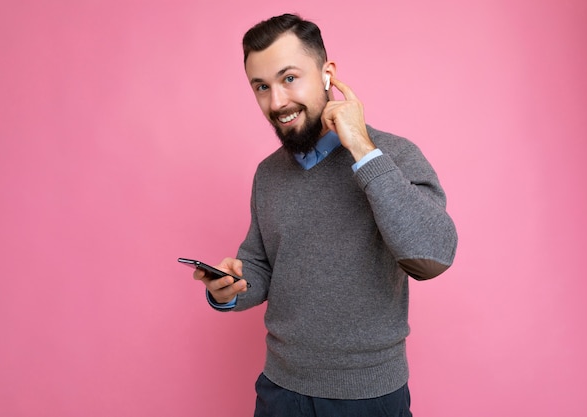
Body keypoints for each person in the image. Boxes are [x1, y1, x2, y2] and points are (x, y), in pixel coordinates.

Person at [193, 13, 458, 417]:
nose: (276, 101)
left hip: (369, 396)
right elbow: (263, 266)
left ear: (327, 74)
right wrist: (230, 288)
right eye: (261, 87)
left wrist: (362, 150)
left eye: (289, 78)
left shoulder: (393, 155)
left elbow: (433, 254)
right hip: (280, 391)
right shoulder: (268, 173)